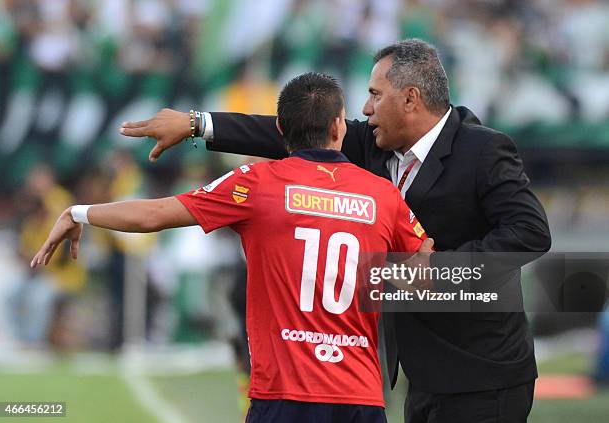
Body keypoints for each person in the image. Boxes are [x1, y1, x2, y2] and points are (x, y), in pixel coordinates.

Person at [120, 39, 552, 422]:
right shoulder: (376, 146)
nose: (365, 109)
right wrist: (197, 124)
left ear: (411, 99)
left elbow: (530, 231)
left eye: (375, 95)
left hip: (485, 372)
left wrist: (442, 269)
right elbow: (288, 132)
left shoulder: (482, 149)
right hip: (422, 374)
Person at [33, 72, 431, 423]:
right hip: (359, 397)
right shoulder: (384, 196)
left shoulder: (257, 182)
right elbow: (425, 269)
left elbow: (152, 216)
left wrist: (78, 212)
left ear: (279, 127)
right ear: (338, 127)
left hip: (283, 395)